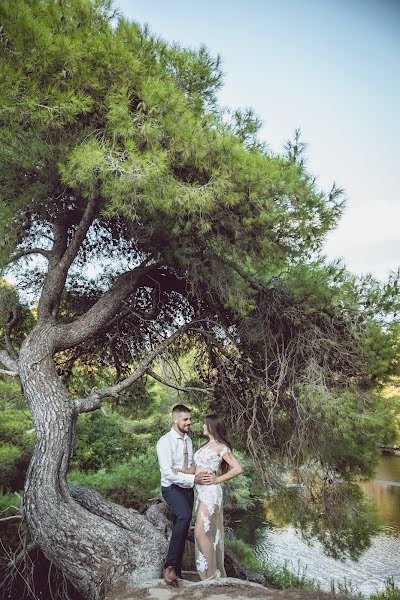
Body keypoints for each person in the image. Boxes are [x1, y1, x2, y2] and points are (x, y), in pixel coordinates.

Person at [174, 414, 243, 581]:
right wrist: (181, 471)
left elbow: (238, 468)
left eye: (205, 424)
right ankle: (213, 576)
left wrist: (217, 479)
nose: (202, 426)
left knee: (200, 532)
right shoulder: (205, 446)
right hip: (201, 493)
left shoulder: (220, 447)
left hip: (211, 493)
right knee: (205, 534)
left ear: (212, 427)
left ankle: (212, 576)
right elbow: (196, 468)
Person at [156, 404, 214, 587]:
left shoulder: (188, 440)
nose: (189, 422)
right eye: (185, 419)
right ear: (175, 419)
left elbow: (189, 465)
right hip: (171, 488)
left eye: (190, 419)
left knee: (180, 525)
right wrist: (191, 477)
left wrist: (190, 472)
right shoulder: (164, 442)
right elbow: (167, 473)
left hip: (187, 488)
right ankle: (170, 567)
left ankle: (178, 571)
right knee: (184, 515)